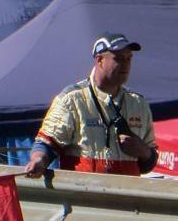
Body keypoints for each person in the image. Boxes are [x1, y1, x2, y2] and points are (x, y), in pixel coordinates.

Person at [24, 32, 158, 178]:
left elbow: (149, 164)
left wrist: (143, 151)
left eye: (129, 58)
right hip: (82, 196)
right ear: (99, 59)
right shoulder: (72, 99)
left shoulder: (138, 103)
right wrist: (38, 161)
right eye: (118, 59)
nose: (125, 64)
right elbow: (45, 145)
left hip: (125, 198)